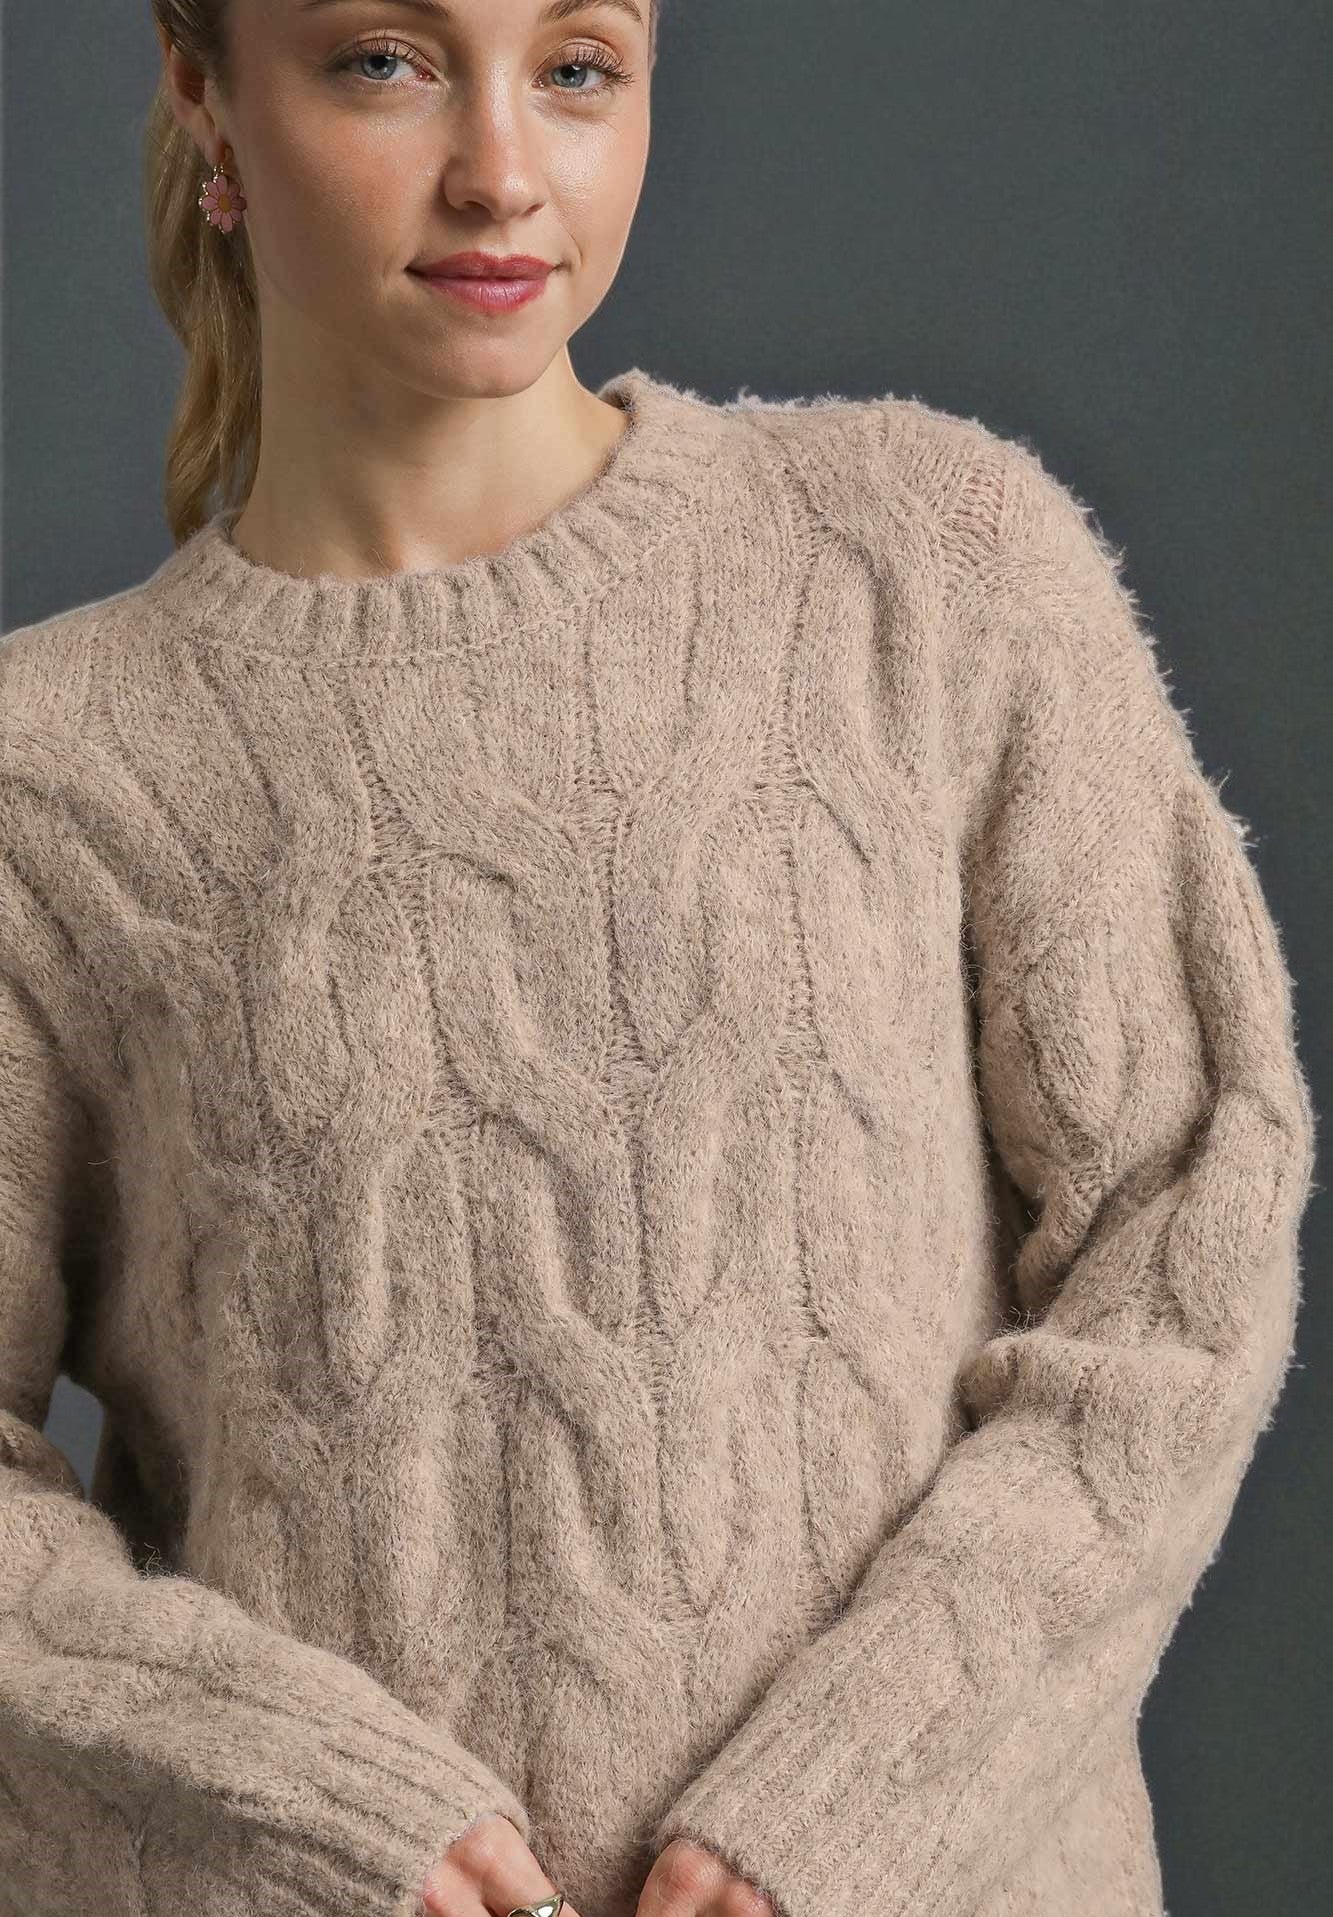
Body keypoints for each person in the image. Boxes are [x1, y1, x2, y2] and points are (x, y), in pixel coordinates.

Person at [0, 3, 1316, 1917]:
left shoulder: (927, 565)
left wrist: (848, 1797)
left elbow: (1184, 1227)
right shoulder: (52, 774)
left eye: (577, 66)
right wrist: (310, 1804)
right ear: (205, 89)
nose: (499, 173)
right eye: (385, 61)